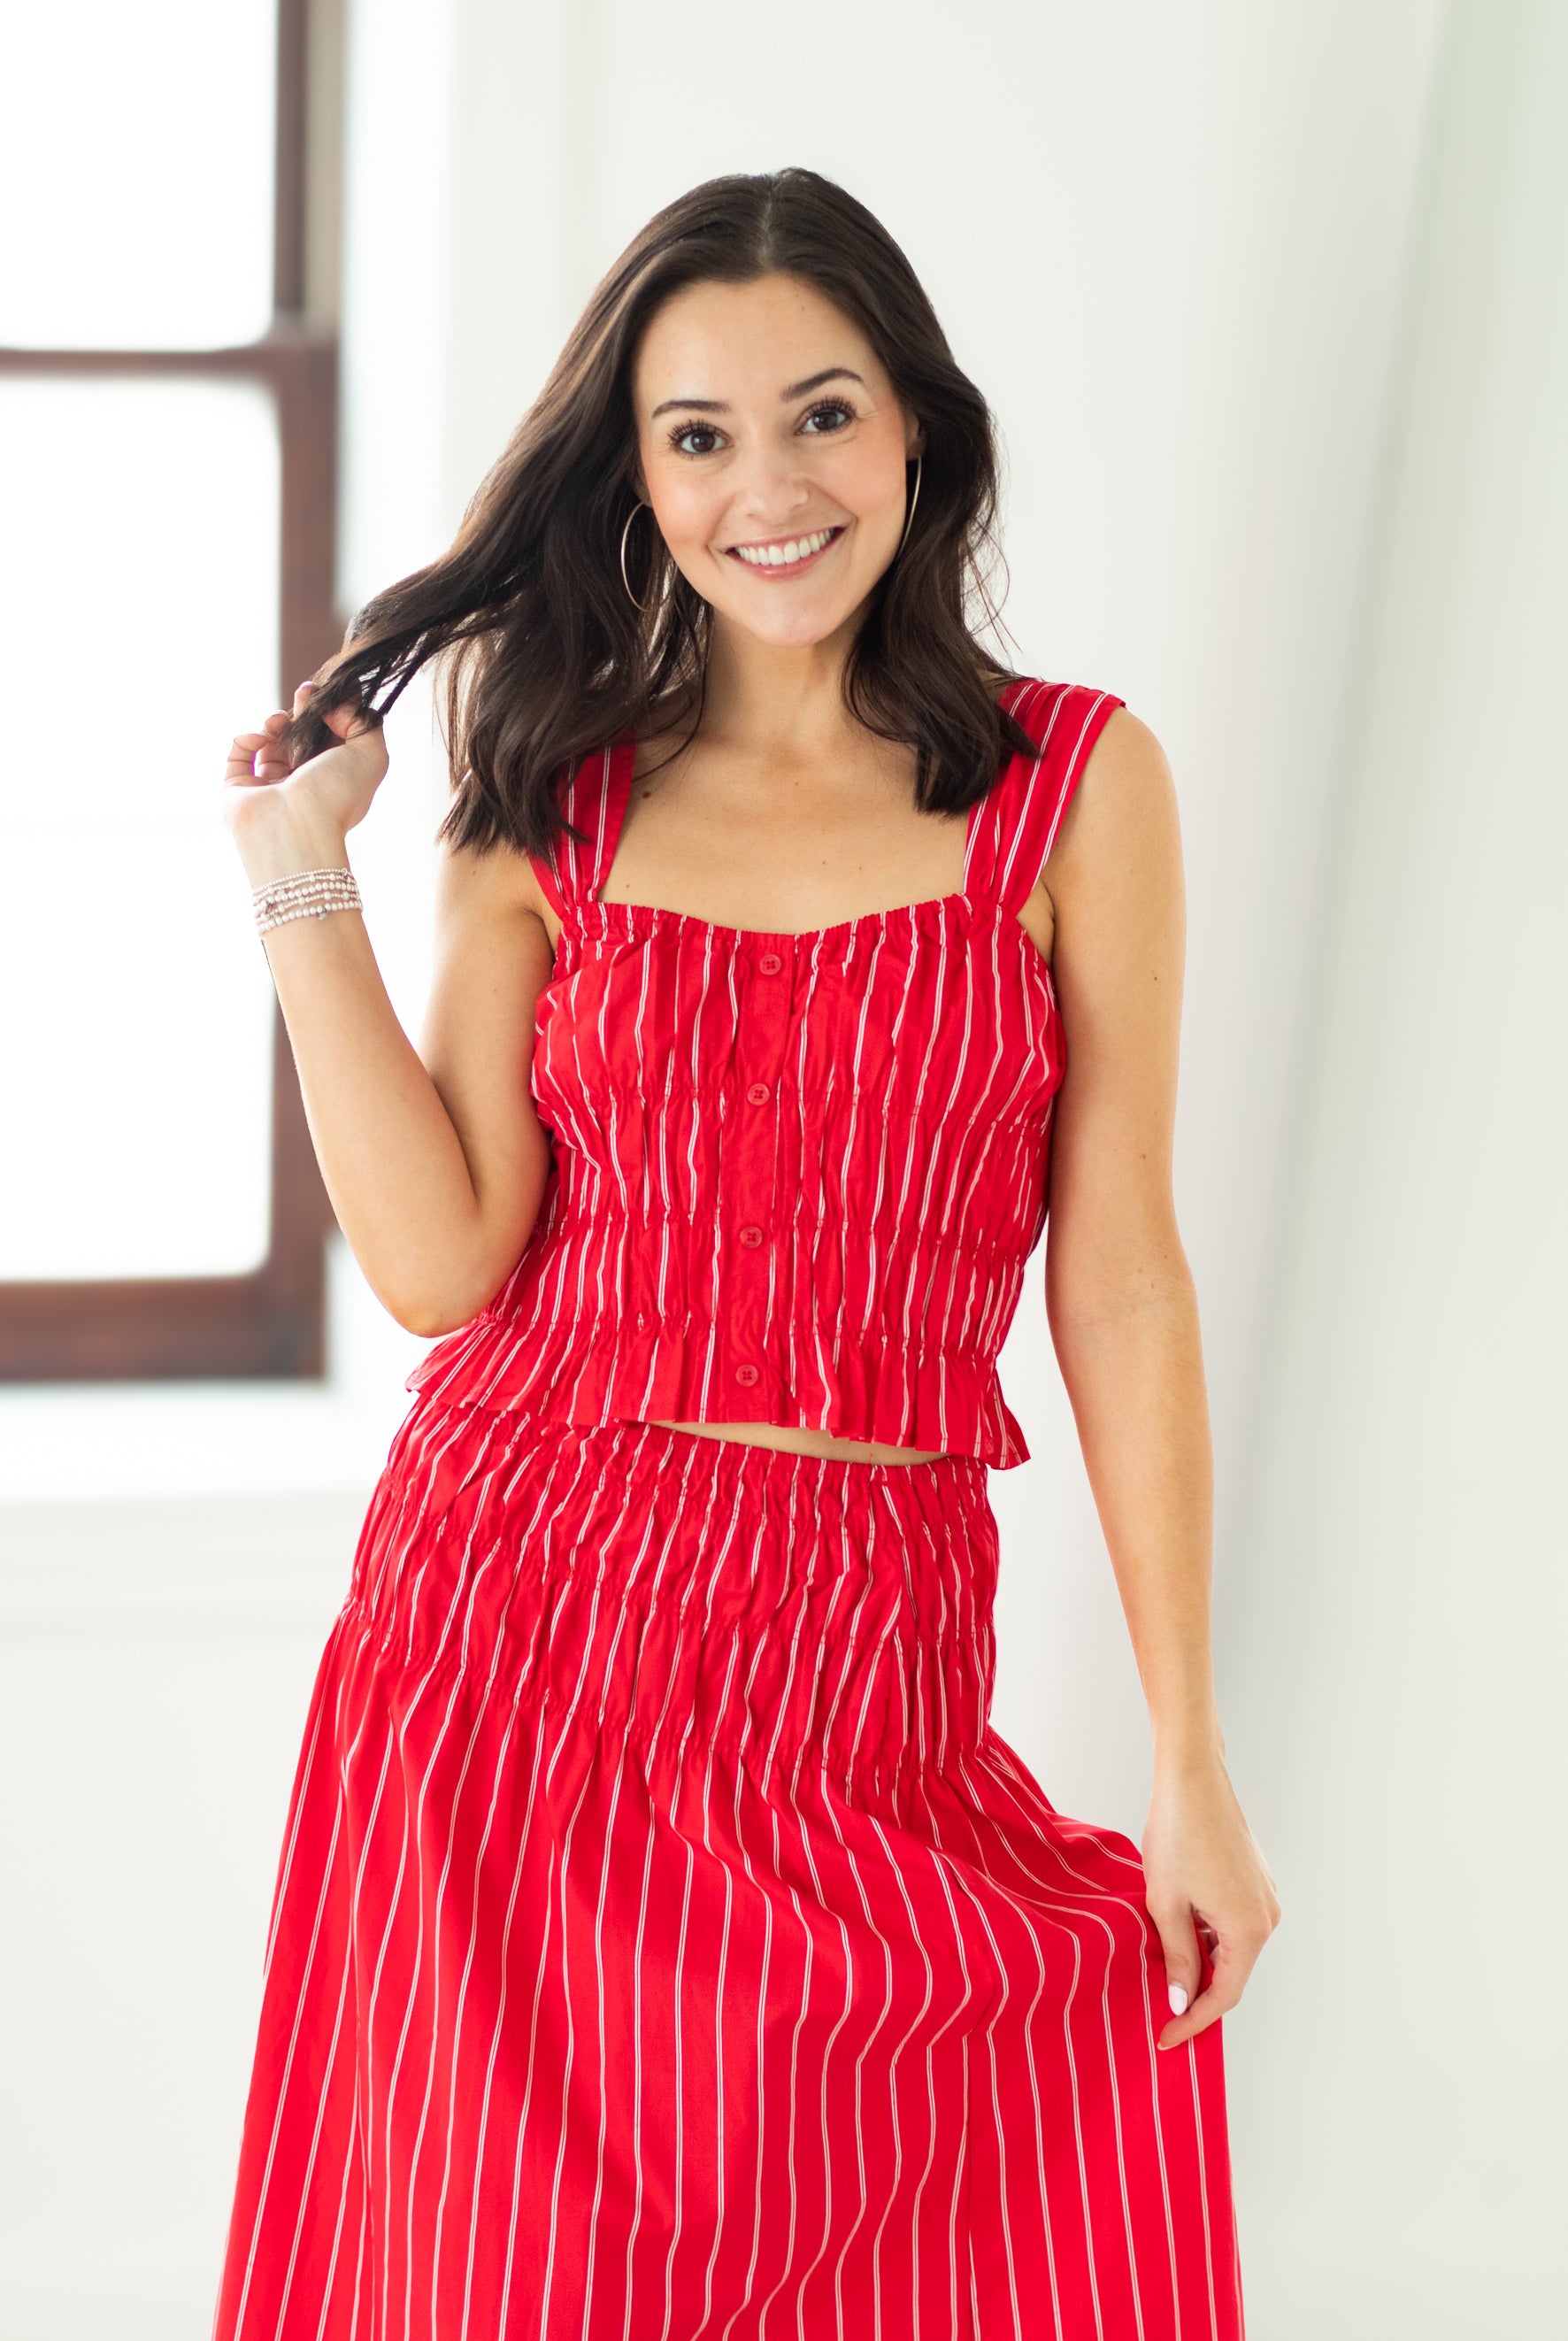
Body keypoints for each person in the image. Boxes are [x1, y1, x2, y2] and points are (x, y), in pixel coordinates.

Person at [213, 167, 1279, 2341]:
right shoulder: (552, 794)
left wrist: (1189, 1752)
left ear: (918, 437)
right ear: (637, 477)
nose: (764, 488)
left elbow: (1123, 1274)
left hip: (865, 1661)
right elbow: (441, 1265)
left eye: (820, 416)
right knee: (524, 2290)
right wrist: (291, 880)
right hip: (521, 1632)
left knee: (964, 2237)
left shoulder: (1075, 785)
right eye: (696, 436)